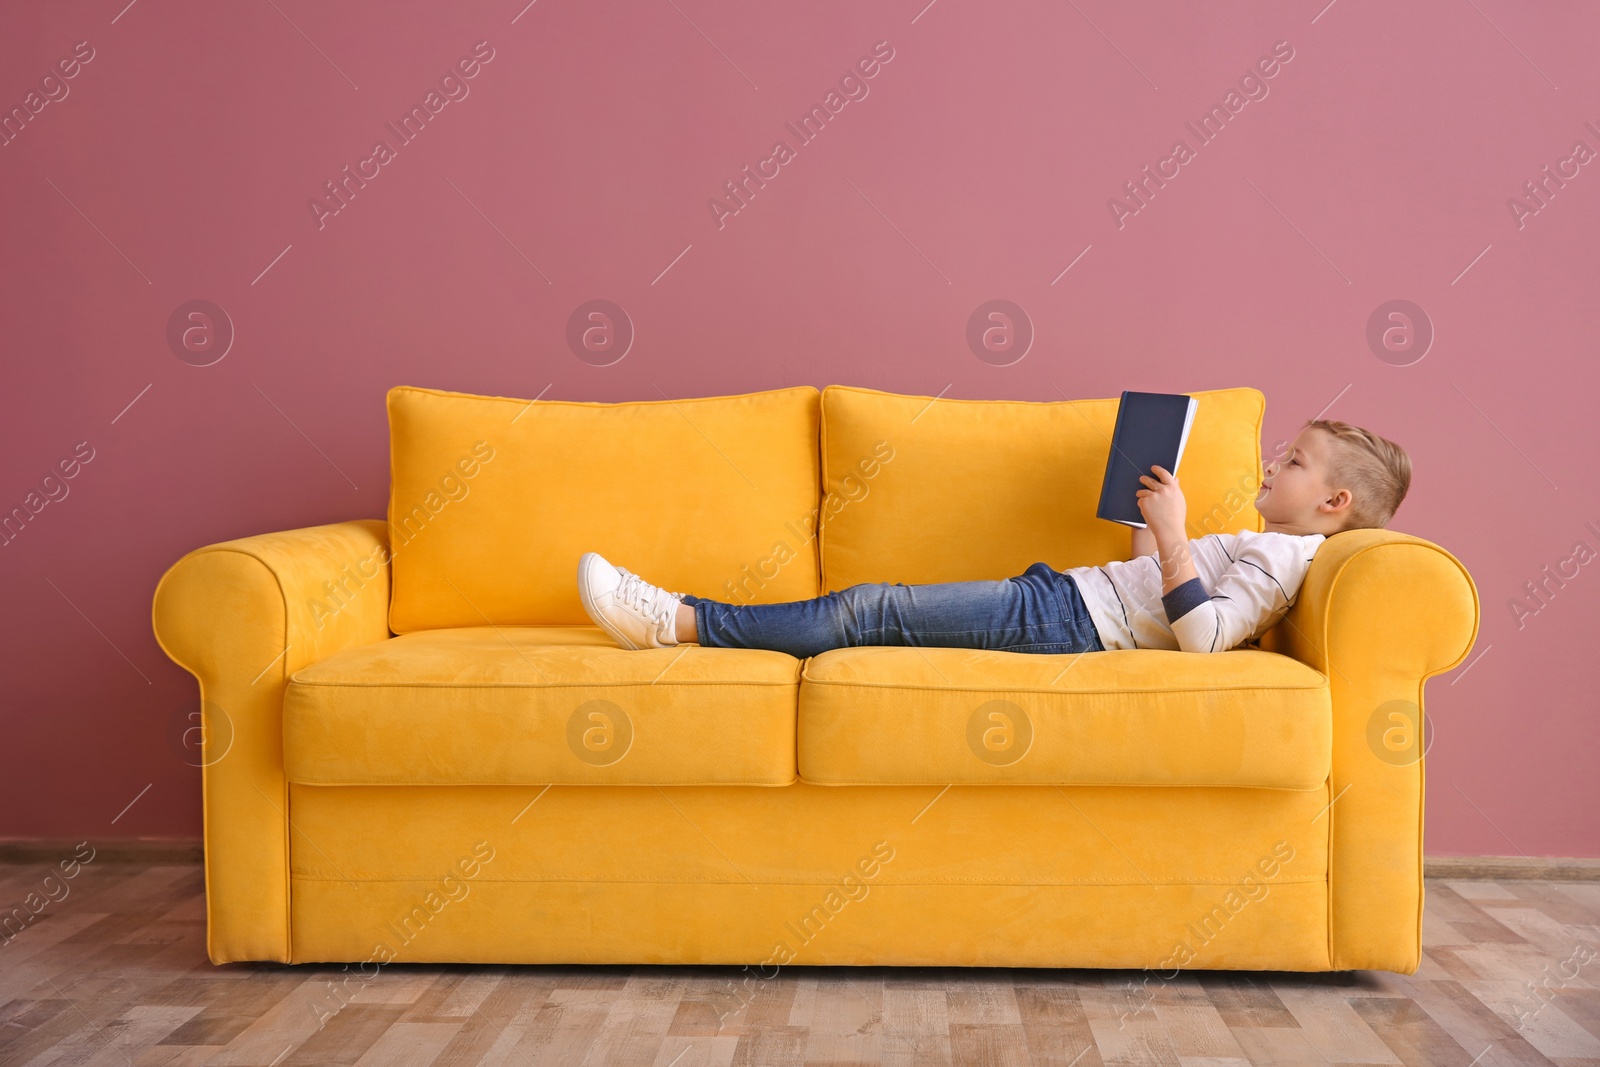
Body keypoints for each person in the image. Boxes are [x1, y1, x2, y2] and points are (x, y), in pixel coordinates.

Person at [576, 418, 1411, 657]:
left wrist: (1177, 532)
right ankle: (682, 619)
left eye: (1294, 462)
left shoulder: (1292, 555)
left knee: (870, 611)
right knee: (874, 611)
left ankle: (674, 620)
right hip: (1069, 600)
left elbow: (1203, 636)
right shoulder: (1281, 544)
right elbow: (1160, 596)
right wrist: (1143, 520)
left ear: (1334, 500)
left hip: (1069, 622)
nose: (1276, 462)